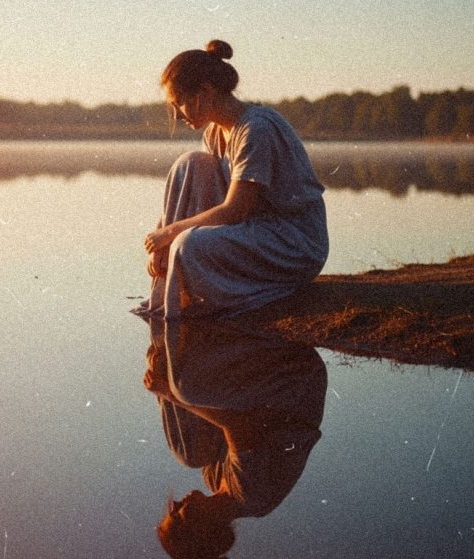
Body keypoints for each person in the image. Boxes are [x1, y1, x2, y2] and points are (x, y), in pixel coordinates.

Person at [136, 40, 328, 319]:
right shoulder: (215, 133)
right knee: (189, 163)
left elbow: (236, 209)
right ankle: (175, 290)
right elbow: (194, 194)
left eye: (179, 103)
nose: (177, 115)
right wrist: (162, 238)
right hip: (255, 231)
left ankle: (220, 300)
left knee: (187, 244)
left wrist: (169, 234)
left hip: (294, 243)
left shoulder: (256, 129)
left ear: (204, 92)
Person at [143, 317, 327, 558]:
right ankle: (175, 348)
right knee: (187, 402)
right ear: (202, 532)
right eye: (177, 518)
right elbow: (238, 425)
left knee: (191, 451)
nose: (175, 504)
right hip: (295, 379)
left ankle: (169, 348)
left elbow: (215, 418)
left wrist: (168, 391)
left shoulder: (214, 478)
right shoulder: (251, 496)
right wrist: (170, 395)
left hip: (265, 388)